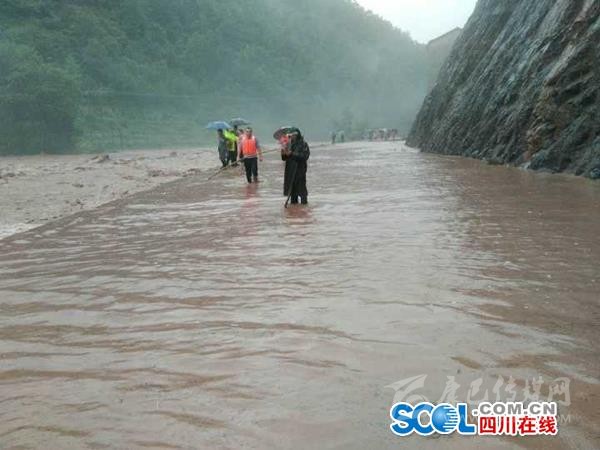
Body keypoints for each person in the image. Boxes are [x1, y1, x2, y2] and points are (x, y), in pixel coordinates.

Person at [281, 129, 310, 205]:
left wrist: (292, 154)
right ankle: (294, 209)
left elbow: (304, 157)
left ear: (297, 135)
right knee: (293, 193)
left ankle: (304, 208)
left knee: (302, 191)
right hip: (290, 171)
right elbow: (284, 158)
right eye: (290, 135)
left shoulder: (303, 144)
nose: (291, 137)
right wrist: (283, 152)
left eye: (292, 135)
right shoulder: (289, 144)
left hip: (300, 171)